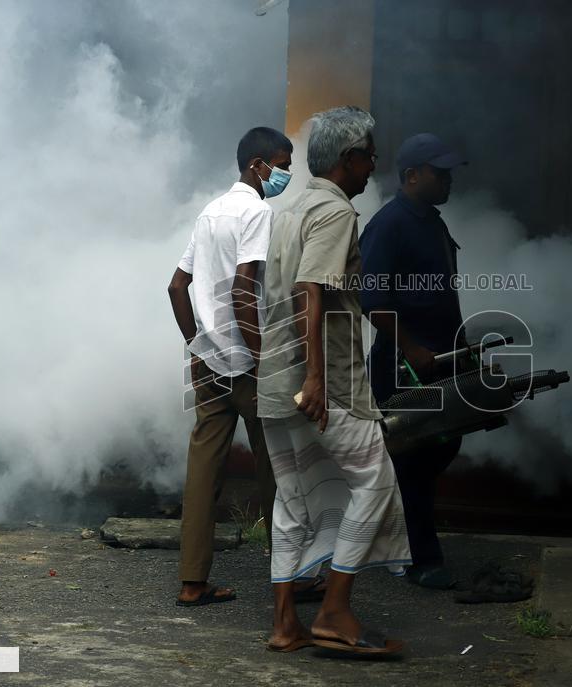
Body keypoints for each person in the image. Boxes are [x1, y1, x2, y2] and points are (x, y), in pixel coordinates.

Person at [257, 106, 411, 654]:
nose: (374, 167)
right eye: (370, 157)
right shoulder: (335, 211)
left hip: (275, 380)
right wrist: (317, 380)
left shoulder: (287, 207)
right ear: (349, 160)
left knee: (292, 500)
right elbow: (309, 290)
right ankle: (334, 610)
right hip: (326, 386)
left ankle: (284, 626)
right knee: (376, 482)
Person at [166, 126, 293, 607]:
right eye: (282, 164)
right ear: (258, 164)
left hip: (208, 363)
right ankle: (292, 577)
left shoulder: (210, 211)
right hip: (249, 363)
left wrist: (196, 344)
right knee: (279, 468)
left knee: (203, 471)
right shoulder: (257, 211)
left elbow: (178, 287)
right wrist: (264, 362)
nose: (285, 173)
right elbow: (244, 291)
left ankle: (192, 582)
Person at [358, 132, 468, 590]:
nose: (447, 180)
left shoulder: (433, 223)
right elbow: (374, 301)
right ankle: (421, 558)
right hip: (405, 364)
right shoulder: (389, 225)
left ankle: (396, 541)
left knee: (442, 445)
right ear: (411, 176)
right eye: (439, 173)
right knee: (417, 455)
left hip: (441, 359)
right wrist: (411, 348)